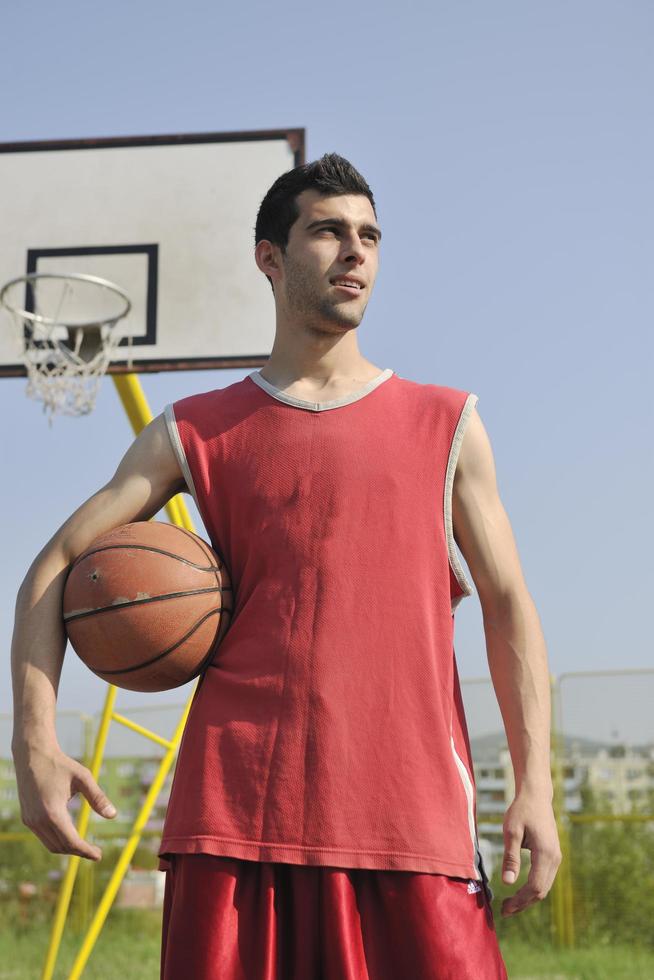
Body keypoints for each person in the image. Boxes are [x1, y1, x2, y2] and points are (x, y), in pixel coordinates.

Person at [11, 152, 561, 979]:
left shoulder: (447, 423)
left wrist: (535, 786)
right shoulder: (192, 431)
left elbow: (508, 604)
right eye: (329, 232)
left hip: (412, 824)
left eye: (370, 236)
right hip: (235, 822)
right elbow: (55, 564)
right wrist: (36, 745)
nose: (356, 252)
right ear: (270, 257)